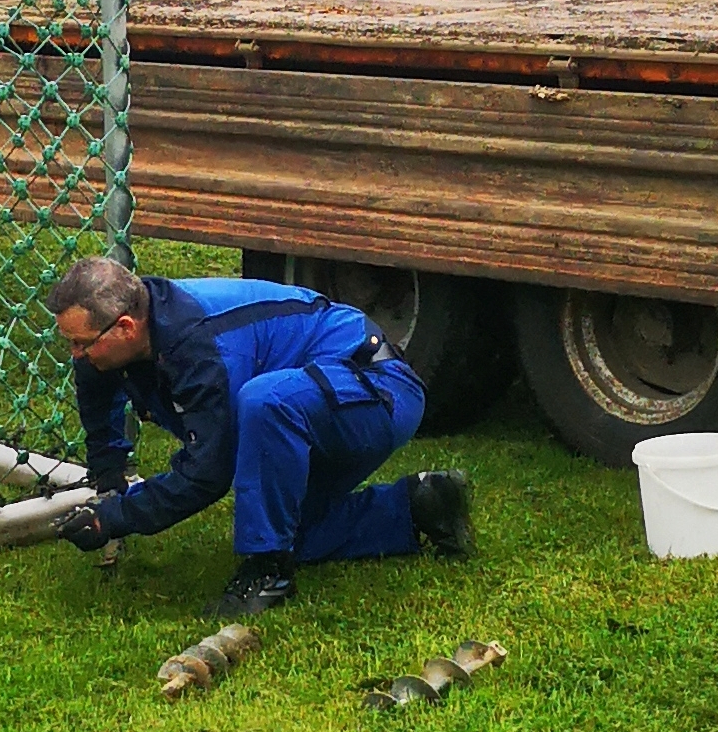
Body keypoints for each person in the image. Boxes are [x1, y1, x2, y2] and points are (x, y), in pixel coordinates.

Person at [45, 258, 471, 617]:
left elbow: (208, 472)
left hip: (379, 389)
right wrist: (108, 479)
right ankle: (420, 507)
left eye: (82, 344)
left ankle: (268, 571)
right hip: (316, 399)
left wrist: (113, 519)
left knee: (264, 402)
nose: (75, 356)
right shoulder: (130, 331)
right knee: (295, 528)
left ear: (124, 327)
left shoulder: (200, 347)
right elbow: (100, 407)